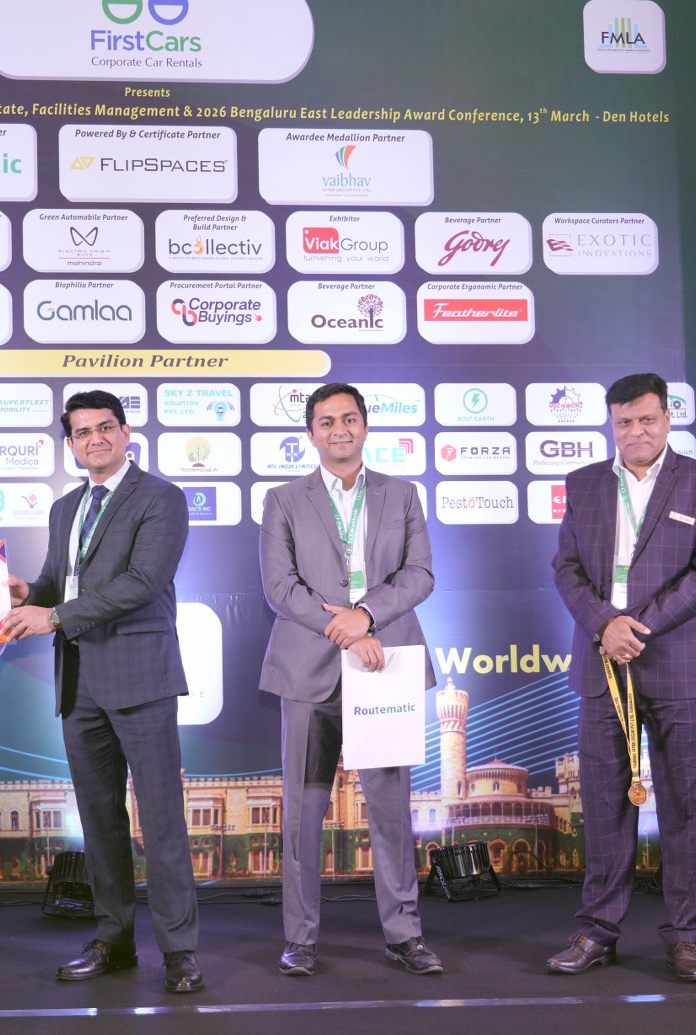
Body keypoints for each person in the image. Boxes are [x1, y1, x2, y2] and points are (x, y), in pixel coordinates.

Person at [0, 390, 203, 994]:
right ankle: (113, 940)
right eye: (83, 432)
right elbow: (58, 582)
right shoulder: (66, 507)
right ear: (71, 444)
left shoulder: (160, 497)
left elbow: (143, 582)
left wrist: (55, 616)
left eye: (105, 427)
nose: (96, 439)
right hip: (79, 682)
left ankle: (180, 951)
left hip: (141, 678)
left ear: (126, 431)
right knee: (99, 820)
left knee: (162, 821)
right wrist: (27, 595)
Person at [546, 372, 696, 982]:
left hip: (680, 665)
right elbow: (567, 568)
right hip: (603, 666)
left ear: (668, 418)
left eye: (647, 419)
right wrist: (605, 624)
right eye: (624, 422)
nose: (636, 432)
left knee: (683, 808)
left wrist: (636, 627)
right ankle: (598, 931)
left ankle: (684, 937)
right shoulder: (584, 483)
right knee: (604, 808)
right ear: (612, 424)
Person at [258, 383, 443, 978]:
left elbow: (420, 574)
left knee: (390, 810)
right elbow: (280, 587)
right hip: (307, 669)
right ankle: (300, 938)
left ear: (365, 425)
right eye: (326, 421)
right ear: (310, 433)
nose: (339, 429)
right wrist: (346, 630)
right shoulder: (283, 500)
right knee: (303, 812)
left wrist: (365, 618)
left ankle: (404, 935)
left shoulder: (403, 494)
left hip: (384, 664)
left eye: (349, 418)